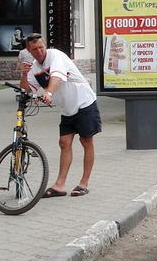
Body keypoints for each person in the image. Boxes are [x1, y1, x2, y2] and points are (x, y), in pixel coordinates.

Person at [20, 33, 101, 197]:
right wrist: (23, 74)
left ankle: (83, 183)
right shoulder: (34, 67)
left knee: (86, 141)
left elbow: (56, 76)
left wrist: (49, 92)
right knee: (64, 143)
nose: (39, 51)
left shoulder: (56, 55)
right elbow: (27, 89)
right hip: (67, 108)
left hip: (84, 102)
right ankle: (60, 185)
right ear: (29, 50)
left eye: (41, 47)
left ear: (45, 45)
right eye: (35, 49)